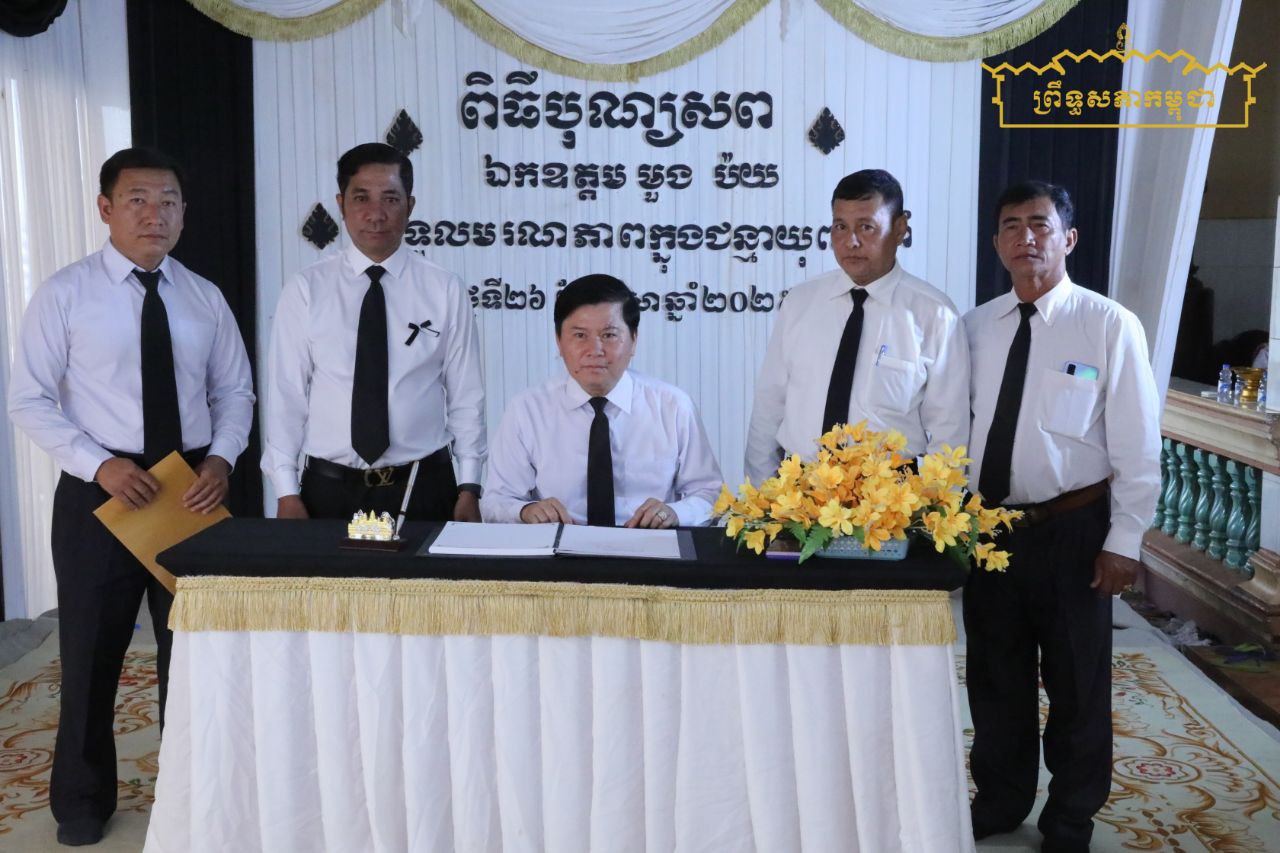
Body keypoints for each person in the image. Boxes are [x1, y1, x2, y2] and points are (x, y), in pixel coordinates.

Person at [7, 147, 254, 846]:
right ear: (105, 208)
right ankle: (82, 802)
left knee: (194, 654)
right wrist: (100, 465)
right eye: (138, 199)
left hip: (190, 491)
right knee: (91, 652)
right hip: (101, 494)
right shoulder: (65, 293)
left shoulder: (203, 296)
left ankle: (191, 794)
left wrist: (222, 459)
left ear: (184, 212)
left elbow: (235, 391)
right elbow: (28, 399)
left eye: (169, 201)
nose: (155, 214)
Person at [963, 180, 1161, 852]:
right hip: (991, 531)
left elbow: (1137, 444)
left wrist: (1124, 539)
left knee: (1078, 683)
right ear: (996, 243)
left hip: (1075, 531)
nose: (1026, 238)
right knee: (996, 678)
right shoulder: (974, 328)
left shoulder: (1108, 325)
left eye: (1040, 224)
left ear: (1068, 238)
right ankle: (1000, 799)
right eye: (1011, 226)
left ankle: (1071, 816)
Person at [263, 142, 486, 522]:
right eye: (361, 198)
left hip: (422, 485)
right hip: (328, 490)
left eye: (391, 199)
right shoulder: (307, 288)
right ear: (341, 204)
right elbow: (287, 396)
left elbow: (466, 394)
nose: (376, 214)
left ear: (410, 206)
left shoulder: (444, 288)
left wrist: (469, 486)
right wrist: (286, 490)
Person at [745, 168, 969, 484]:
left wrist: (932, 508)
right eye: (840, 227)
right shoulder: (800, 302)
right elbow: (769, 408)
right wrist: (763, 495)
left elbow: (949, 433)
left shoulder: (935, 314)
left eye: (866, 227)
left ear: (900, 229)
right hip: (799, 494)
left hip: (890, 500)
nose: (850, 241)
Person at [481, 274, 722, 527]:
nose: (595, 350)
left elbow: (710, 494)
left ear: (633, 340)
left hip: (650, 544)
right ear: (559, 341)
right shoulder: (527, 410)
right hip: (559, 546)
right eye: (580, 335)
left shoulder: (673, 407)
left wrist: (675, 513)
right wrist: (526, 510)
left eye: (609, 335)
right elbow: (496, 501)